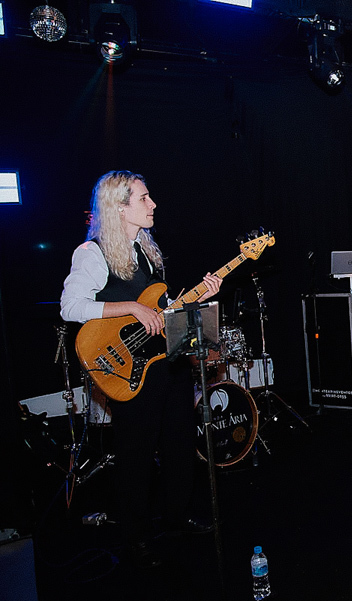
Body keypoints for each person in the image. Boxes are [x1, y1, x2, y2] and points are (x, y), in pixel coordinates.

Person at [60, 171, 222, 568]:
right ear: (119, 207)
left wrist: (201, 293)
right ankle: (136, 538)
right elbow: (71, 307)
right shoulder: (92, 254)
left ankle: (177, 514)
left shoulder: (147, 250)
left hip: (165, 364)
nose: (153, 205)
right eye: (144, 198)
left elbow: (159, 312)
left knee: (180, 445)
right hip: (127, 372)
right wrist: (130, 307)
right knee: (135, 456)